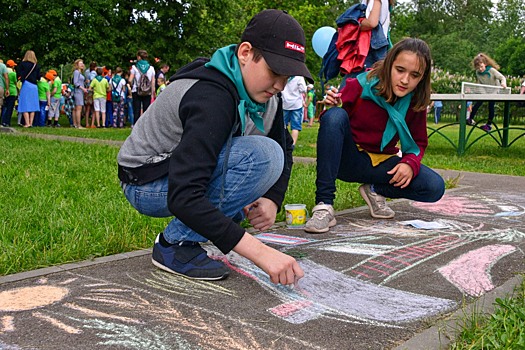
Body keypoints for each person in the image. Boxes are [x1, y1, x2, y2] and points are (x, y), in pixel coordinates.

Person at [117, 9, 312, 284]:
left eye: (288, 76)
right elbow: (184, 196)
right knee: (262, 157)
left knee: (272, 154)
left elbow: (286, 149)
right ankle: (175, 246)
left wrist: (273, 199)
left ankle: (217, 218)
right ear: (245, 53)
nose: (280, 85)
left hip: (177, 173)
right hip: (145, 183)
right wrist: (261, 253)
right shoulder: (211, 96)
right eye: (275, 71)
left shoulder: (269, 96)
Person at [304, 38, 445, 233]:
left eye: (414, 75)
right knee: (335, 116)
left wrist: (409, 163)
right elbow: (334, 123)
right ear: (389, 65)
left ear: (422, 78)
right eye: (400, 70)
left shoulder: (415, 102)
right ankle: (324, 205)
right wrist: (332, 106)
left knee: (434, 186)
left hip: (381, 164)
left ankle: (374, 190)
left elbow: (419, 142)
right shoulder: (360, 85)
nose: (405, 80)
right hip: (348, 160)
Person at [466, 53, 507, 131]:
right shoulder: (477, 73)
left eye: (481, 67)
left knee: (491, 106)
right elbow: (480, 84)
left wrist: (503, 83)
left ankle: (489, 125)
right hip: (485, 91)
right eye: (478, 67)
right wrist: (484, 94)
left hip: (495, 91)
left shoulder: (491, 70)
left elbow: (502, 77)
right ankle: (470, 119)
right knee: (478, 103)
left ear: (485, 64)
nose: (480, 69)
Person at [129, 50, 155, 123]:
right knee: (146, 109)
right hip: (147, 91)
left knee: (136, 109)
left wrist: (131, 85)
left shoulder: (134, 67)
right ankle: (145, 125)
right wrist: (153, 92)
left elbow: (130, 80)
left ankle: (136, 125)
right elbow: (153, 81)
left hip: (136, 90)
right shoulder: (151, 68)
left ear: (139, 57)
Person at [17, 50, 40, 128]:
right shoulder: (36, 65)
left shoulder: (23, 64)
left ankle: (26, 123)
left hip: (26, 84)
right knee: (33, 104)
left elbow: (19, 74)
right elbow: (38, 77)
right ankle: (31, 122)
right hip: (34, 86)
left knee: (25, 104)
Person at [282, 75, 307, 148]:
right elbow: (303, 89)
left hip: (285, 103)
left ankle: (282, 142)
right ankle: (292, 144)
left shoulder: (284, 74)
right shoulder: (299, 77)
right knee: (295, 126)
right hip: (296, 104)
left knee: (283, 124)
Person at [72, 59, 88, 128]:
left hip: (80, 92)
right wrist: (83, 88)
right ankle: (78, 125)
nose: (82, 65)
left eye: (82, 63)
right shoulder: (76, 72)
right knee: (79, 108)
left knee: (76, 109)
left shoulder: (80, 73)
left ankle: (75, 124)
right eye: (80, 63)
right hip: (78, 92)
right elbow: (75, 83)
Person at [1, 60, 17, 127]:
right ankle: (7, 122)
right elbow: (15, 82)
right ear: (12, 66)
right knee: (10, 108)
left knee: (4, 107)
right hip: (12, 91)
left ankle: (2, 121)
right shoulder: (13, 73)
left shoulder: (3, 71)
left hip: (4, 90)